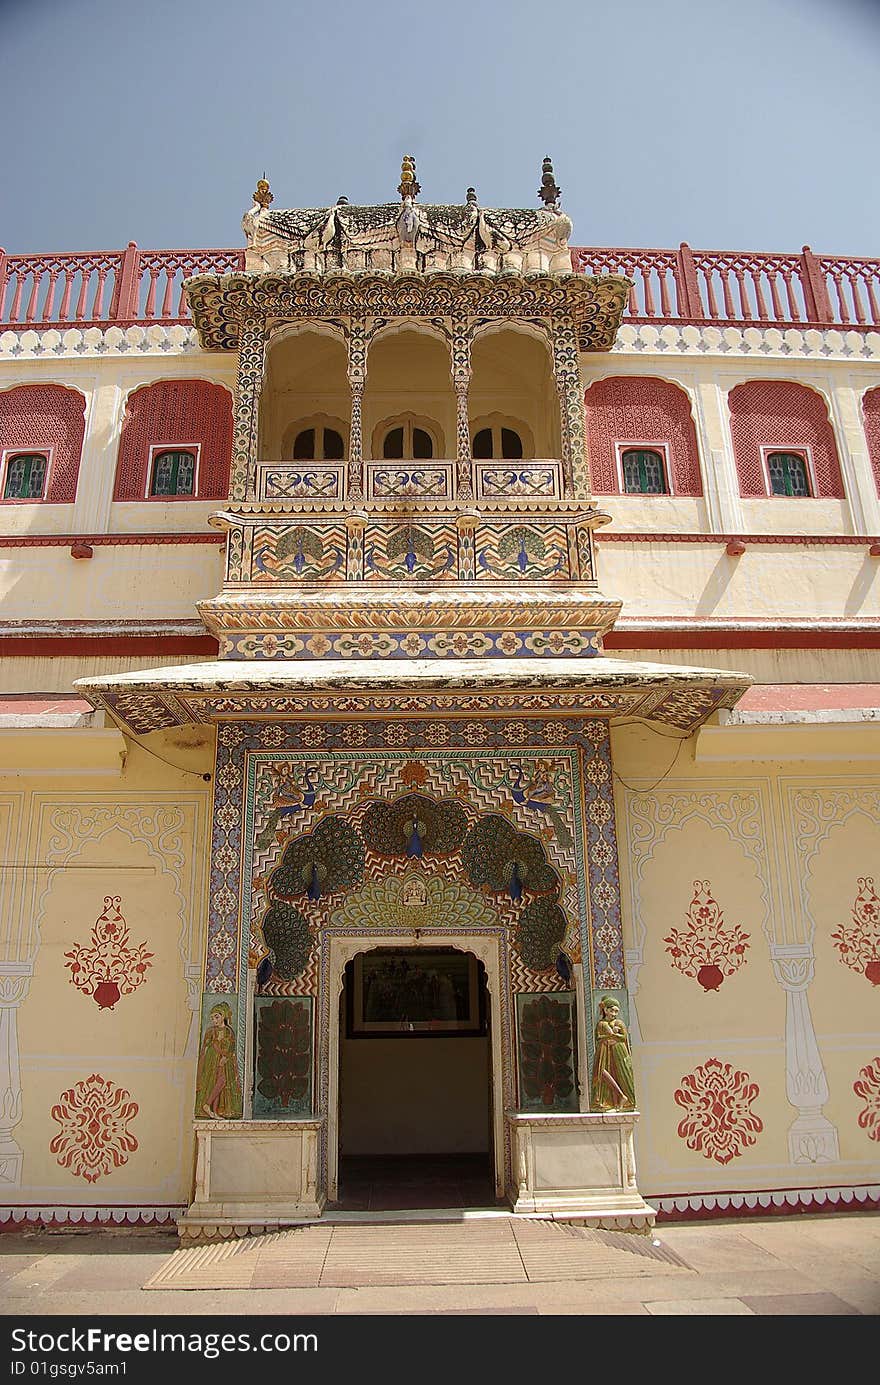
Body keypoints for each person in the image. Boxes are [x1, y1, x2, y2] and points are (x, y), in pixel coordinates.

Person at [195, 1003, 242, 1119]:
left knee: (221, 1082)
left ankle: (212, 1109)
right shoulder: (211, 1031)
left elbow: (231, 1047)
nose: (214, 1020)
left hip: (224, 1060)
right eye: (212, 1018)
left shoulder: (229, 1031)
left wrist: (226, 1057)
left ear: (223, 1016)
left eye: (217, 1017)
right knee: (217, 1082)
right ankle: (208, 1107)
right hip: (212, 1060)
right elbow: (206, 1047)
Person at [591, 996, 636, 1111]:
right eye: (612, 1010)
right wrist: (609, 1036)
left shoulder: (619, 1023)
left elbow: (624, 1037)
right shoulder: (602, 1023)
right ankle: (618, 1097)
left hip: (618, 1050)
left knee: (619, 1073)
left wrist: (613, 1036)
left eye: (616, 1011)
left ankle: (622, 1100)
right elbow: (598, 1037)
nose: (614, 1013)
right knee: (601, 1071)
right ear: (605, 1010)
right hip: (604, 1050)